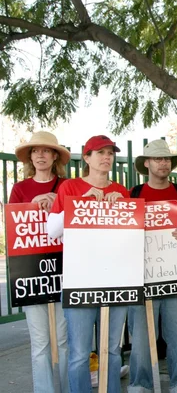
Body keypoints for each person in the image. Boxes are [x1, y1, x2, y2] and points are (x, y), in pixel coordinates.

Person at [47, 135, 129, 393]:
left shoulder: (122, 191)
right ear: (86, 157)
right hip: (79, 278)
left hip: (116, 279)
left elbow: (131, 236)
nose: (107, 157)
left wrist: (124, 207)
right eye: (100, 152)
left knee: (113, 351)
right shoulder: (70, 187)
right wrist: (82, 202)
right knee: (80, 353)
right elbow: (53, 230)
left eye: (110, 153)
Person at [127, 139, 177, 393]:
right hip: (142, 281)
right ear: (147, 164)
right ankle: (139, 385)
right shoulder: (133, 195)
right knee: (142, 340)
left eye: (166, 159)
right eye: (158, 159)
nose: (163, 163)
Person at [10, 131, 71, 393]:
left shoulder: (67, 186)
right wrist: (32, 206)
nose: (41, 155)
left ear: (55, 155)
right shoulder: (20, 189)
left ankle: (70, 389)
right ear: (30, 157)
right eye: (36, 151)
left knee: (64, 339)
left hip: (63, 268)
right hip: (31, 272)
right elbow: (12, 225)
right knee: (41, 342)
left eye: (46, 151)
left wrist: (57, 204)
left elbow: (78, 222)